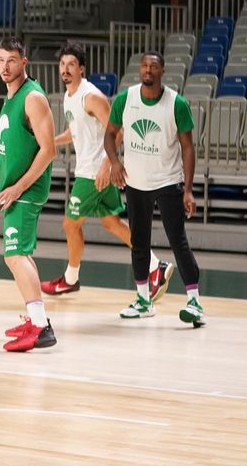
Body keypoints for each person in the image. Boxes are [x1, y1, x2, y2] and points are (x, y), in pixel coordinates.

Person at [41, 42, 173, 300]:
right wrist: (48, 142)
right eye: (62, 65)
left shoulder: (91, 96)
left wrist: (107, 165)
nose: (65, 70)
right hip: (92, 170)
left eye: (71, 65)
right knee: (112, 223)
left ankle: (70, 279)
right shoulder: (70, 97)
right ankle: (156, 265)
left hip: (93, 172)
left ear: (82, 69)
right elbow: (75, 132)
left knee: (70, 224)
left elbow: (119, 130)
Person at [102, 51, 205, 326]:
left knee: (177, 240)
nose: (148, 69)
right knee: (139, 242)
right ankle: (143, 300)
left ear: (163, 71)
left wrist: (188, 190)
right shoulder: (126, 99)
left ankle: (194, 301)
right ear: (140, 70)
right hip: (135, 183)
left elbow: (188, 147)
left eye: (154, 66)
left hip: (168, 181)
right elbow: (110, 135)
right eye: (145, 65)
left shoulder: (176, 104)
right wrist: (114, 162)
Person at [0, 37, 57, 353]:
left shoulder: (32, 98)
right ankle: (40, 321)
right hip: (13, 190)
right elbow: (10, 154)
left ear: (25, 62)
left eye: (11, 60)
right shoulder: (10, 99)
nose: (4, 66)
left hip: (26, 190)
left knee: (13, 255)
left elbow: (48, 150)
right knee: (21, 253)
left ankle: (38, 327)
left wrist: (18, 187)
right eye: (0, 60)